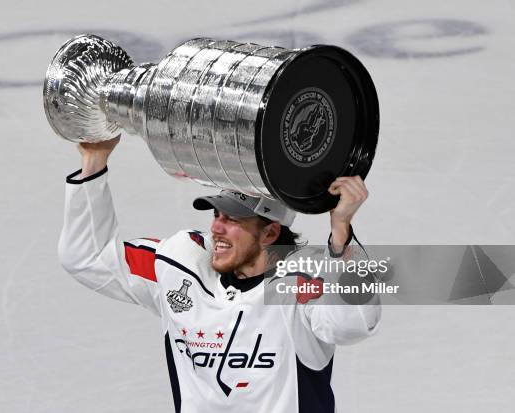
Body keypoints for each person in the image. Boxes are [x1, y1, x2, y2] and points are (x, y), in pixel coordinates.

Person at [58, 137, 381, 413]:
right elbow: (88, 257)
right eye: (217, 214)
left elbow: (350, 326)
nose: (216, 228)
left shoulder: (302, 277)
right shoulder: (182, 264)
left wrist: (340, 231)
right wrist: (93, 162)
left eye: (233, 219)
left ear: (269, 234)